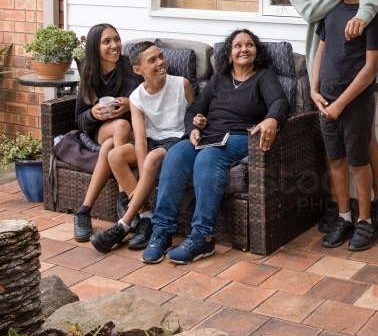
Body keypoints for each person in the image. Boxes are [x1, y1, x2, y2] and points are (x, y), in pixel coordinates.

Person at [278, 0, 378, 237]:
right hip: (325, 66)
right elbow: (312, 13)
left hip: (358, 70)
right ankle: (340, 209)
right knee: (333, 146)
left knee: (366, 137)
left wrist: (362, 12)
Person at [141, 29, 290, 265]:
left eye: (249, 45)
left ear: (256, 51)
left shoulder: (264, 76)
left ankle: (203, 236)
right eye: (238, 45)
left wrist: (272, 119)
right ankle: (162, 231)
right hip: (210, 136)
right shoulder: (219, 78)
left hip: (242, 137)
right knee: (176, 154)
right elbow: (194, 111)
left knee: (209, 157)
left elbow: (281, 102)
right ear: (229, 55)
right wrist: (194, 127)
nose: (244, 49)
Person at [311, 0, 378, 252]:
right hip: (325, 102)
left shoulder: (371, 17)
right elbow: (321, 50)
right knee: (336, 161)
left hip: (354, 104)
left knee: (358, 162)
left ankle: (365, 221)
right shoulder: (331, 9)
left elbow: (371, 67)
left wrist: (341, 102)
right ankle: (344, 217)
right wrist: (314, 89)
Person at [89, 42, 194, 253]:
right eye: (152, 60)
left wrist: (146, 167)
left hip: (178, 139)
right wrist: (142, 180)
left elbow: (193, 116)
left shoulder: (181, 84)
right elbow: (140, 139)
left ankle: (124, 224)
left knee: (153, 158)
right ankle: (145, 216)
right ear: (138, 70)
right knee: (115, 155)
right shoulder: (136, 97)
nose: (161, 62)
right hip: (153, 140)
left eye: (161, 57)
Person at [72, 23, 141, 242]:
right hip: (99, 131)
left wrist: (130, 103)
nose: (115, 45)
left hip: (127, 132)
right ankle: (123, 197)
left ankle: (84, 210)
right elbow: (80, 120)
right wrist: (93, 113)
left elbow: (145, 99)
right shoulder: (89, 73)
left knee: (113, 143)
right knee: (119, 127)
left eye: (117, 39)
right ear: (95, 47)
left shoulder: (130, 67)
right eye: (107, 41)